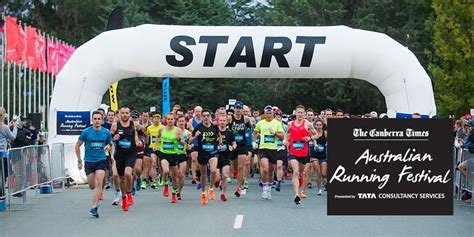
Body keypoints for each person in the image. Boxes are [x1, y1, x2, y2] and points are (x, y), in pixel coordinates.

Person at [75, 110, 114, 218]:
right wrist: (79, 160)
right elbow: (77, 146)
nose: (97, 121)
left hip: (101, 160)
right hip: (89, 161)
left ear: (102, 120)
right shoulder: (86, 132)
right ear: (92, 120)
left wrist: (111, 154)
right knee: (92, 185)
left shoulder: (105, 132)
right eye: (95, 119)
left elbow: (111, 144)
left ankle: (94, 207)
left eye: (99, 119)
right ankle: (97, 196)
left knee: (99, 182)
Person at [110, 107, 142, 211]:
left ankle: (129, 194)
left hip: (131, 153)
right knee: (122, 178)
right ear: (119, 114)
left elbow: (135, 136)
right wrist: (113, 138)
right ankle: (124, 198)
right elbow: (109, 137)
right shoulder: (115, 125)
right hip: (119, 154)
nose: (124, 115)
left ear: (129, 114)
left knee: (128, 173)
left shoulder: (134, 124)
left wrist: (137, 142)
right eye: (122, 113)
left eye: (126, 113)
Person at [285, 105, 317, 205]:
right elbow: (287, 134)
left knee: (305, 174)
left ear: (304, 114)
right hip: (293, 151)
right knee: (296, 172)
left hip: (304, 153)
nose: (300, 114)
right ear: (295, 113)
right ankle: (296, 194)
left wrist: (310, 138)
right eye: (298, 112)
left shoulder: (308, 124)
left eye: (302, 113)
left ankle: (302, 191)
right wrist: (285, 140)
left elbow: (316, 134)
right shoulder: (290, 124)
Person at [188, 109, 222, 205]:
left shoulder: (215, 127)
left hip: (213, 152)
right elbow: (189, 141)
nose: (206, 117)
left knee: (214, 170)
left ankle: (211, 189)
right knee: (203, 175)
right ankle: (203, 192)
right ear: (202, 117)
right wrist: (195, 136)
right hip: (202, 153)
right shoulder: (198, 127)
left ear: (210, 117)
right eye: (204, 116)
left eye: (208, 115)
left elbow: (219, 136)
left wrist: (220, 142)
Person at [253, 105, 284, 200]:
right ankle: (264, 188)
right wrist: (254, 142)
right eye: (267, 113)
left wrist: (275, 133)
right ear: (264, 114)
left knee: (270, 171)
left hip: (273, 149)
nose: (269, 115)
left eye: (270, 113)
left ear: (273, 114)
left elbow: (282, 136)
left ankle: (269, 187)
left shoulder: (277, 123)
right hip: (263, 148)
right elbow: (254, 133)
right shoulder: (260, 123)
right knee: (265, 169)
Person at [156, 113, 186, 203]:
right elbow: (158, 137)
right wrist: (157, 145)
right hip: (164, 153)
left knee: (174, 176)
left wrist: (179, 140)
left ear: (174, 120)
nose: (170, 121)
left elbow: (183, 143)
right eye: (168, 119)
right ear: (165, 120)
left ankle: (173, 193)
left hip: (174, 154)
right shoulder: (161, 129)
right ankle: (165, 184)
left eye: (171, 119)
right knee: (165, 171)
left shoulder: (178, 130)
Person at [228, 101, 251, 197]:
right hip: (232, 145)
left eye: (240, 108)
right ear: (234, 109)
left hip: (242, 144)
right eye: (236, 108)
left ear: (242, 110)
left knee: (241, 166)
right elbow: (224, 129)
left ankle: (238, 187)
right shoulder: (230, 118)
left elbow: (249, 129)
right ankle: (237, 176)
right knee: (234, 167)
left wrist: (247, 136)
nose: (238, 110)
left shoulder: (245, 119)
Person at [216, 115, 236, 201]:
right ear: (218, 121)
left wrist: (233, 147)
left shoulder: (230, 132)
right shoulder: (214, 131)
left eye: (224, 120)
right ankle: (216, 181)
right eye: (221, 120)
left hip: (226, 156)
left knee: (224, 175)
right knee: (217, 177)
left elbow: (234, 143)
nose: (222, 122)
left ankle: (223, 194)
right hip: (216, 156)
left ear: (227, 122)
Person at [0, 108, 18, 199]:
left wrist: (8, 125)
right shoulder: (4, 127)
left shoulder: (4, 126)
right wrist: (14, 127)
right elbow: (12, 137)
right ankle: (1, 195)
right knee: (3, 175)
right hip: (2, 154)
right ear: (3, 116)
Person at [144, 113, 162, 189]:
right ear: (152, 119)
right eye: (155, 118)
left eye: (158, 118)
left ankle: (161, 177)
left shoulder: (163, 128)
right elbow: (147, 139)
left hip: (161, 148)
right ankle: (154, 181)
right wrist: (147, 146)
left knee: (161, 164)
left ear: (160, 119)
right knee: (154, 163)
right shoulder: (149, 128)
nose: (156, 120)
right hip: (152, 148)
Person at [176, 115, 192, 200]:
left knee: (181, 175)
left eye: (183, 121)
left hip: (182, 154)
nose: (181, 123)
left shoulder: (188, 133)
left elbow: (190, 143)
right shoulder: (173, 131)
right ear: (177, 122)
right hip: (173, 154)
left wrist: (190, 145)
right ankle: (174, 189)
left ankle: (179, 192)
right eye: (180, 121)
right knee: (175, 175)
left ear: (185, 122)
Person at [310, 120, 327, 195]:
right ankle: (319, 189)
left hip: (323, 155)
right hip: (315, 154)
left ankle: (325, 180)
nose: (319, 126)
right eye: (317, 125)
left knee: (323, 173)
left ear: (322, 126)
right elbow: (313, 140)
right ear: (315, 126)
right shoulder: (313, 132)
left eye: (320, 125)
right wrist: (316, 145)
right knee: (318, 172)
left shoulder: (325, 133)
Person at [188, 106, 203, 184]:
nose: (197, 113)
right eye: (196, 111)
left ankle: (201, 174)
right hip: (195, 142)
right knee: (194, 159)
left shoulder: (204, 120)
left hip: (203, 143)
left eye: (199, 111)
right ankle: (194, 177)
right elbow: (191, 132)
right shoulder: (191, 121)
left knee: (200, 161)